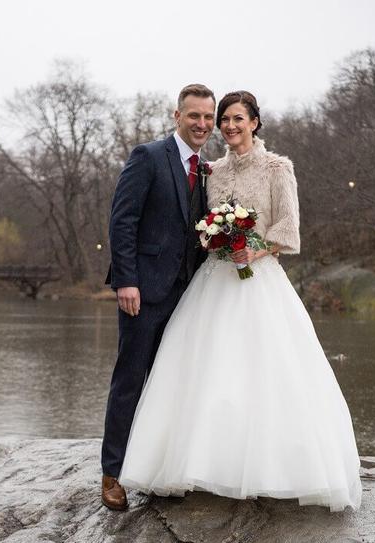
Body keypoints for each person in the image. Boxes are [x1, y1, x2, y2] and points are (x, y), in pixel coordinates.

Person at [118, 90, 362, 512]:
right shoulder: (211, 171)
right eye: (224, 120)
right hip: (213, 280)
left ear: (254, 122)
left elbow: (290, 230)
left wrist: (256, 248)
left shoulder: (277, 168)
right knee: (205, 371)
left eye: (237, 119)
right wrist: (215, 238)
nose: (229, 126)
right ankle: (196, 465)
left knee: (264, 371)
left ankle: (268, 470)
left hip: (260, 280)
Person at [100, 84, 216, 510]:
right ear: (177, 116)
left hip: (189, 295)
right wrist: (126, 280)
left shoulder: (207, 169)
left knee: (173, 383)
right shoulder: (148, 157)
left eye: (208, 117)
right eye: (194, 116)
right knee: (130, 380)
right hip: (143, 292)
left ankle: (159, 469)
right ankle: (112, 473)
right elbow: (122, 220)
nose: (202, 124)